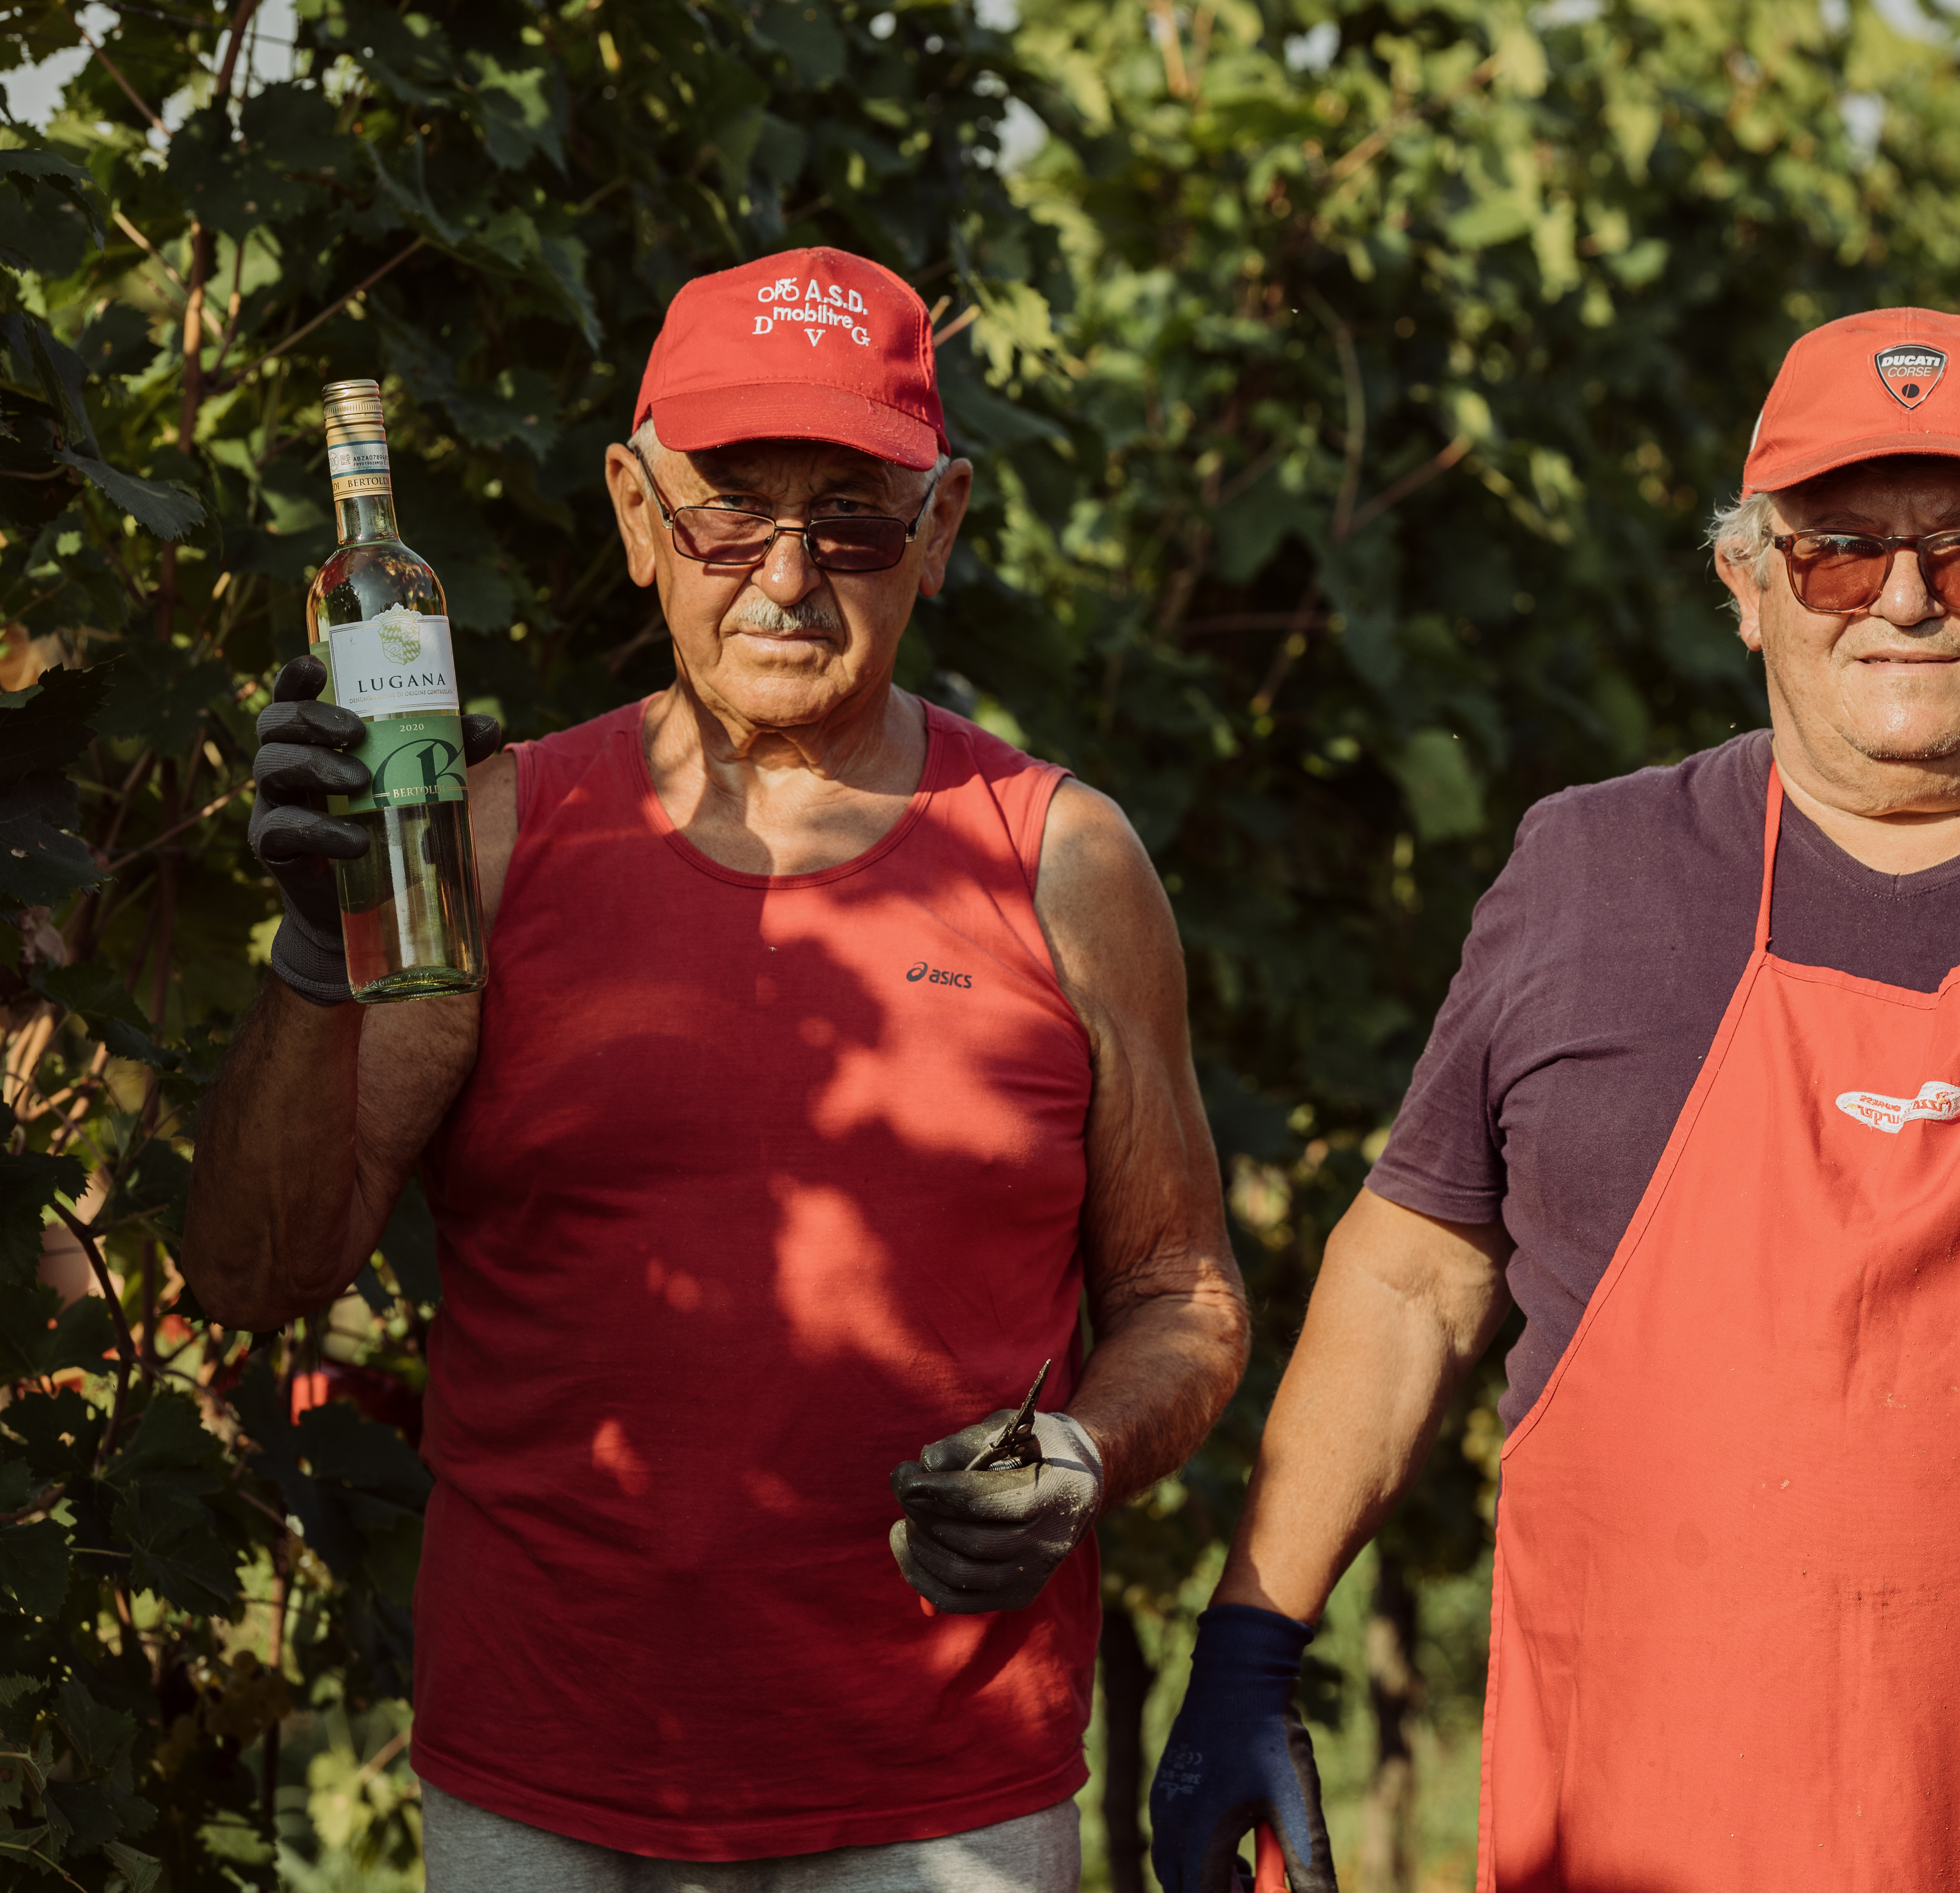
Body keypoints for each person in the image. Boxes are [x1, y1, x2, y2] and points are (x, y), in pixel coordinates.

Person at [1146, 309, 1960, 1892]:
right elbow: (1412, 1275)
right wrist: (1250, 1643)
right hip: (1636, 1831)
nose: (1904, 601)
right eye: (1840, 551)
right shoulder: (1589, 876)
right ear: (1747, 584)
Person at [186, 246, 1249, 1888]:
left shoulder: (1062, 863)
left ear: (941, 530)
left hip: (937, 1800)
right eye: (727, 511)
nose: (787, 574)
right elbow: (261, 1271)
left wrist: (1083, 1454)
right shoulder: (499, 836)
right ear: (632, 512)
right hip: (543, 1781)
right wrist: (317, 954)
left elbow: (1182, 1286)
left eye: (854, 519)